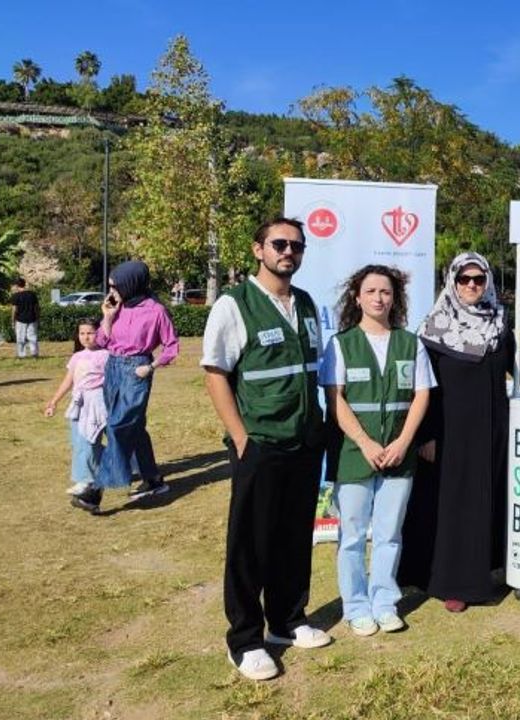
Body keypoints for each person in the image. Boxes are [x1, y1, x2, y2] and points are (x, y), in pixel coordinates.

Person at [202, 218, 332, 681]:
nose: (289, 252)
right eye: (279, 244)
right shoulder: (234, 304)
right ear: (259, 249)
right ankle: (244, 640)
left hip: (303, 441)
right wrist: (241, 438)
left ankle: (288, 620)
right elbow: (215, 372)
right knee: (250, 543)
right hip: (259, 440)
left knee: (295, 536)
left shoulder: (307, 303)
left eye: (297, 246)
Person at [416, 252, 520, 613]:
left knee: (491, 497)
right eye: (465, 280)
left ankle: (491, 568)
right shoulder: (433, 328)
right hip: (451, 434)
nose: (472, 285)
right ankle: (456, 584)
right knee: (457, 505)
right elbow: (423, 388)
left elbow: (518, 363)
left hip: (494, 428)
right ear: (452, 282)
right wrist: (425, 435)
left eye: (478, 279)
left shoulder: (498, 322)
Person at [320, 265, 434, 637]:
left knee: (389, 532)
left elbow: (421, 395)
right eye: (370, 291)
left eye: (385, 292)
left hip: (399, 455)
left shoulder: (409, 342)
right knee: (351, 535)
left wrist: (403, 443)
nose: (378, 298)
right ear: (357, 298)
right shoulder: (341, 343)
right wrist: (366, 443)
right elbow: (335, 399)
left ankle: (385, 602)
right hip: (355, 454)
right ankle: (355, 606)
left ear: (395, 298)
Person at [70, 261, 180, 514]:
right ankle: (153, 479)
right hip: (113, 368)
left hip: (136, 372)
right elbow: (100, 341)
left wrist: (150, 366)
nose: (111, 290)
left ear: (131, 284)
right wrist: (107, 318)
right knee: (134, 427)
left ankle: (95, 491)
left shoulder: (156, 311)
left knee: (118, 426)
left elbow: (171, 346)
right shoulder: (116, 307)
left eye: (114, 285)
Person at [45, 318, 109, 496]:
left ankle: (86, 481)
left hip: (96, 403)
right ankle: (95, 471)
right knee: (78, 442)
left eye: (90, 333)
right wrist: (54, 401)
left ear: (99, 333)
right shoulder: (77, 357)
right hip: (78, 403)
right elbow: (69, 380)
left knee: (88, 441)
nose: (86, 337)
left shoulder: (105, 355)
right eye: (82, 333)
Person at [9, 278, 39, 359]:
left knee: (20, 337)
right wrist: (37, 317)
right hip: (32, 318)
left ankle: (21, 354)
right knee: (32, 337)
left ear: (17, 285)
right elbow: (36, 307)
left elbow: (14, 310)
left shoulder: (16, 296)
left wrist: (12, 320)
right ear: (24, 284)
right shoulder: (32, 294)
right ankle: (34, 354)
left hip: (20, 319)